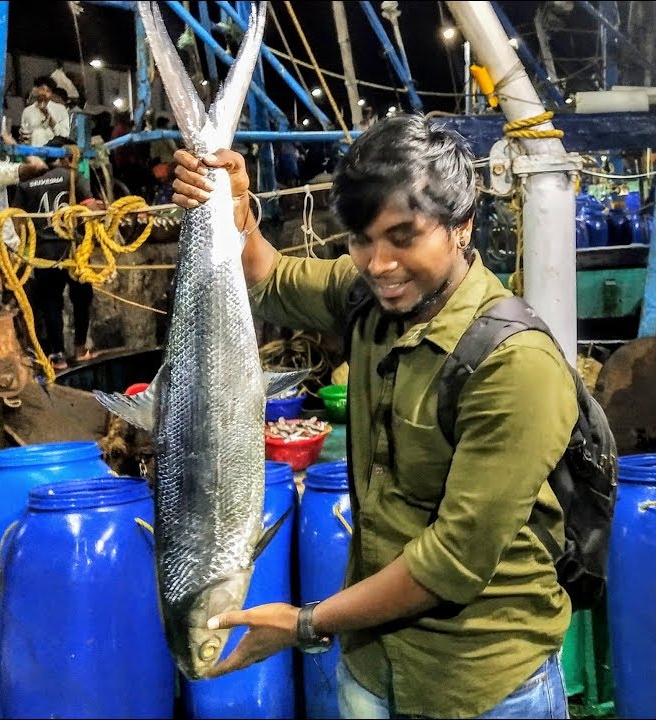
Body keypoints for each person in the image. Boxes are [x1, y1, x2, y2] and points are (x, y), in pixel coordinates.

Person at [171, 114, 577, 718]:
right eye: (362, 239)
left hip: (479, 684)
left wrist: (305, 621)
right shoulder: (367, 296)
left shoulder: (515, 364)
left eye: (404, 236)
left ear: (462, 226)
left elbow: (452, 563)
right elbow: (269, 277)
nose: (380, 263)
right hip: (369, 666)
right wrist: (233, 208)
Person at [12, 136, 101, 370]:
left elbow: (16, 221)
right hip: (74, 251)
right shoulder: (73, 176)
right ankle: (81, 349)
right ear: (66, 156)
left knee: (51, 304)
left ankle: (57, 356)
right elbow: (90, 210)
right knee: (81, 300)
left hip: (42, 253)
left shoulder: (25, 184)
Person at [19, 76, 70, 148]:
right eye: (42, 89)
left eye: (48, 91)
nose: (44, 93)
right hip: (33, 153)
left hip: (53, 154)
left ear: (51, 94)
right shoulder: (27, 111)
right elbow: (23, 136)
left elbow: (65, 134)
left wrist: (50, 119)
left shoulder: (60, 109)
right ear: (36, 90)